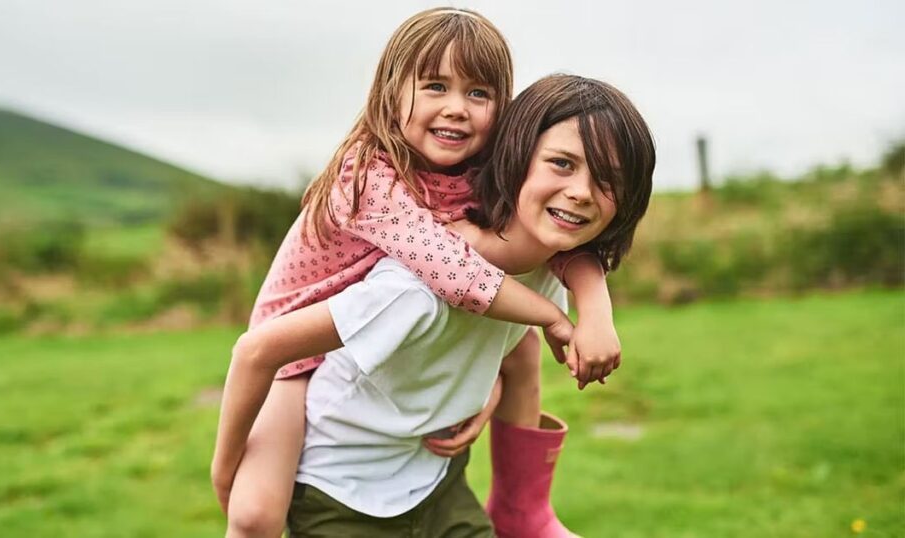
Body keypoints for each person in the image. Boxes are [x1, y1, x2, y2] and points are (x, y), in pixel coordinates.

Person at [214, 8, 622, 537]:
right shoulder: (365, 175)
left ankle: (525, 510)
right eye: (434, 86)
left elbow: (551, 240)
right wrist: (553, 318)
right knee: (253, 515)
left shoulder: (480, 175)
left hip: (368, 337)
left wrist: (595, 310)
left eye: (478, 93)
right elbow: (453, 271)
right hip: (297, 352)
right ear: (391, 92)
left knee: (514, 350)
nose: (456, 109)